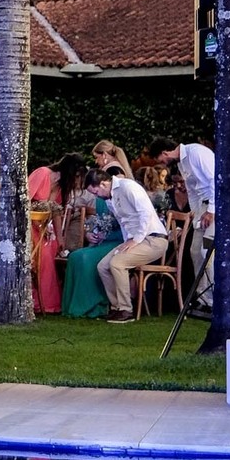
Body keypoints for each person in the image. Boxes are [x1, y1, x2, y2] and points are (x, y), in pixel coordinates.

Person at [92, 166, 168, 323]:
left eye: (96, 192)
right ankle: (116, 307)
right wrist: (128, 241)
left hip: (154, 239)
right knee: (103, 266)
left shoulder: (128, 187)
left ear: (103, 184)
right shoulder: (111, 199)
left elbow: (145, 213)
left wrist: (136, 240)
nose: (96, 196)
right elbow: (123, 223)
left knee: (117, 263)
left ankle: (126, 309)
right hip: (136, 240)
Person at [149, 136, 216, 302]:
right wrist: (195, 213)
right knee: (195, 251)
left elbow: (215, 180)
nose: (163, 164)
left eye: (161, 160)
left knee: (207, 251)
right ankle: (204, 298)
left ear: (165, 152)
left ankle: (217, 295)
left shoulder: (197, 152)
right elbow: (192, 190)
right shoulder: (181, 163)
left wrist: (211, 210)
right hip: (202, 206)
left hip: (215, 205)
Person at [61, 179, 121, 319]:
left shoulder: (121, 199)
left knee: (85, 258)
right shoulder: (99, 201)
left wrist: (108, 235)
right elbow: (96, 222)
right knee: (76, 256)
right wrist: (89, 234)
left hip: (118, 242)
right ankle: (72, 306)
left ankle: (94, 305)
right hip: (101, 242)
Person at [26, 161, 62, 314]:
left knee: (51, 248)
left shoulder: (60, 187)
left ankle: (48, 303)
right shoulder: (42, 173)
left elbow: (56, 211)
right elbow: (25, 201)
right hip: (29, 225)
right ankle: (36, 301)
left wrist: (60, 238)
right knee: (43, 254)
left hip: (45, 228)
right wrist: (37, 223)